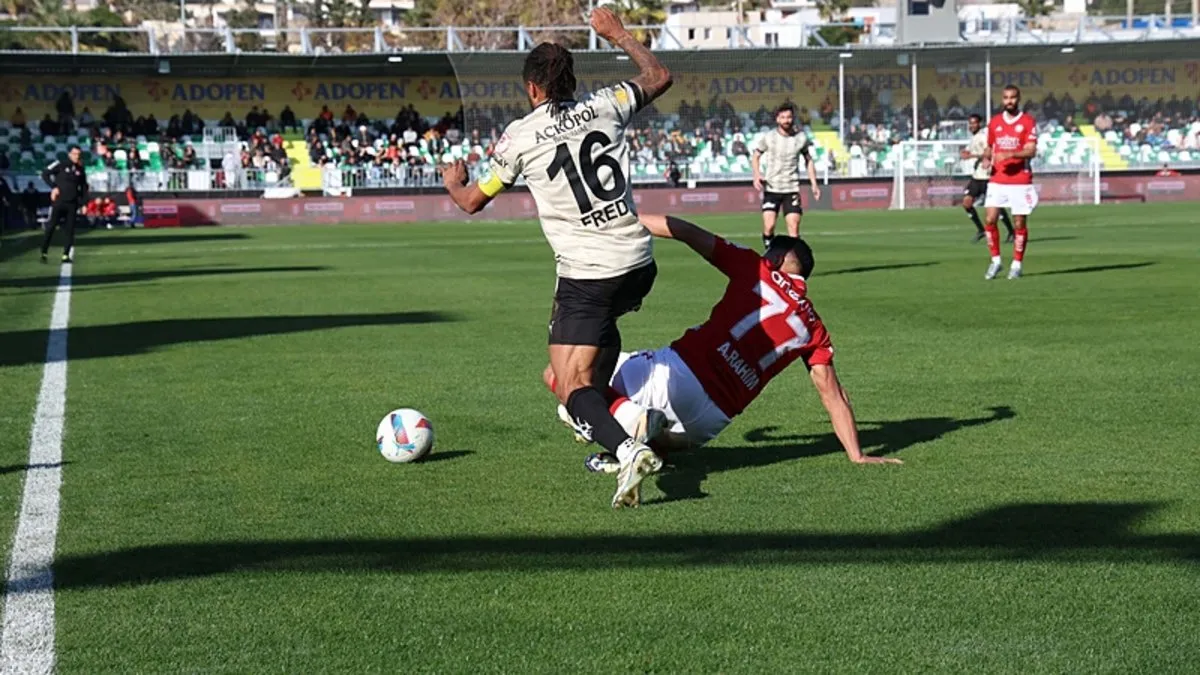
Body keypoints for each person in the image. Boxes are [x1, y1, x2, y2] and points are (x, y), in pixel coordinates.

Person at [441, 7, 673, 509]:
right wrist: (617, 34)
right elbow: (659, 76)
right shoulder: (608, 103)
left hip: (590, 272)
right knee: (597, 345)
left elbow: (474, 202)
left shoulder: (520, 136)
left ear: (532, 89)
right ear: (571, 81)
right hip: (638, 261)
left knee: (568, 385)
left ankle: (628, 448)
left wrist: (453, 183)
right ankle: (620, 428)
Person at [546, 215, 901, 490]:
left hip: (677, 375)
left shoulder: (757, 269)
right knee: (646, 433)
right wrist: (857, 455)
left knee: (561, 377)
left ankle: (631, 422)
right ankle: (638, 440)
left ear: (775, 258)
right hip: (708, 423)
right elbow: (833, 395)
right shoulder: (814, 327)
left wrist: (621, 219)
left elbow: (685, 231)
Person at [983, 85, 1038, 280]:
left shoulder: (1028, 122)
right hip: (997, 179)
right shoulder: (995, 122)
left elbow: (1031, 150)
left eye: (1013, 97)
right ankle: (996, 261)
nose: (1009, 101)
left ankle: (1017, 264)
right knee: (989, 219)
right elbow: (990, 147)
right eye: (1006, 97)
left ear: (1018, 98)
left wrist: (1011, 153)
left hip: (1020, 180)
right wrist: (986, 158)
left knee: (1019, 222)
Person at [752, 103, 820, 250]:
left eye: (789, 117)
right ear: (777, 119)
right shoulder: (769, 137)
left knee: (794, 229)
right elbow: (756, 155)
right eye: (782, 117)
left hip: (791, 188)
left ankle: (794, 263)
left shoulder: (801, 138)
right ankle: (770, 254)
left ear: (793, 118)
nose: (786, 120)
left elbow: (809, 160)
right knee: (769, 226)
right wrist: (757, 175)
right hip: (772, 188)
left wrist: (814, 183)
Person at [960, 114, 1014, 244]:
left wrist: (973, 155)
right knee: (967, 203)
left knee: (996, 208)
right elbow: (970, 152)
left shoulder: (983, 136)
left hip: (988, 177)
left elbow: (988, 152)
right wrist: (965, 153)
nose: (971, 126)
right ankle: (981, 230)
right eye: (970, 123)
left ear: (980, 124)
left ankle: (1012, 232)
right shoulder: (973, 138)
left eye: (974, 123)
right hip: (977, 176)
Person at [40, 145, 88, 264]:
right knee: (51, 227)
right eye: (75, 154)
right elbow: (45, 174)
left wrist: (83, 203)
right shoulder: (60, 164)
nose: (77, 156)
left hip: (72, 203)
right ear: (69, 154)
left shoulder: (80, 169)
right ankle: (44, 252)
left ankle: (65, 255)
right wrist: (54, 187)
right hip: (59, 202)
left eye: (79, 154)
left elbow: (83, 187)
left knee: (70, 230)